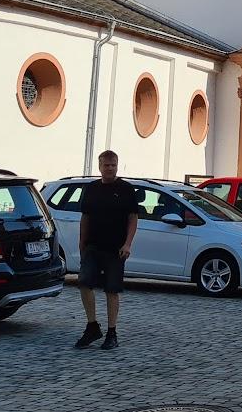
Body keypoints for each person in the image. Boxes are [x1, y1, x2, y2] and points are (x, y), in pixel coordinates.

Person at [74, 150, 139, 350]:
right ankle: (92, 325)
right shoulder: (92, 188)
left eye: (113, 165)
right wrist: (82, 241)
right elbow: (85, 216)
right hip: (93, 246)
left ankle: (112, 332)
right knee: (84, 283)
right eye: (106, 165)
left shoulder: (127, 189)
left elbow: (133, 218)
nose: (109, 168)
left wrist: (128, 243)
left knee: (111, 289)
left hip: (116, 248)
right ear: (99, 167)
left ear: (117, 166)